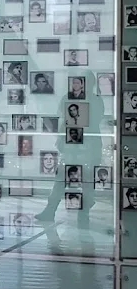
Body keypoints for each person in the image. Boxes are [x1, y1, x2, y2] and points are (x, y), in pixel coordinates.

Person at [35, 71, 104, 227]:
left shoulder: (95, 100)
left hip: (88, 146)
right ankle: (50, 210)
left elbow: (94, 120)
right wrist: (61, 139)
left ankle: (83, 214)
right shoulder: (68, 98)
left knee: (87, 181)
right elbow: (63, 120)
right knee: (61, 178)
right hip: (72, 145)